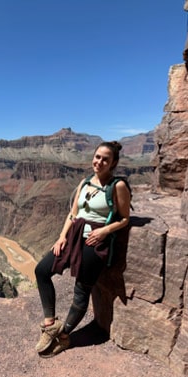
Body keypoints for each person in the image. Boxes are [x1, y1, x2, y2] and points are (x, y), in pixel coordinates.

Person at [34, 141, 131, 357]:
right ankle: (50, 325)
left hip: (94, 241)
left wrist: (104, 231)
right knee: (42, 270)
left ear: (113, 162)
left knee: (81, 290)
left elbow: (125, 218)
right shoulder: (85, 182)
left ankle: (65, 336)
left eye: (105, 159)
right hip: (73, 235)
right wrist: (61, 237)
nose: (99, 161)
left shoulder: (118, 186)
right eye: (97, 156)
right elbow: (73, 212)